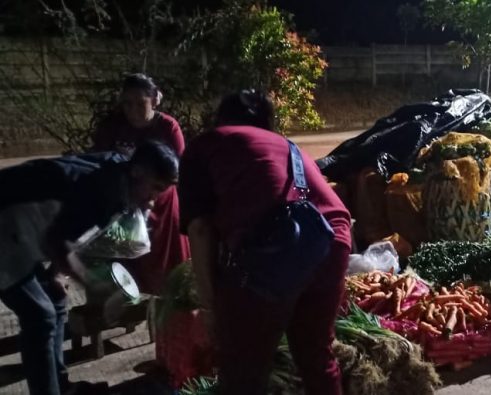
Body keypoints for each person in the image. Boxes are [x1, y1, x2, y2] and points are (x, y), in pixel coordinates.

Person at [178, 90, 352, 395]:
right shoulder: (286, 145)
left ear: (221, 119)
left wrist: (210, 306)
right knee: (316, 358)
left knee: (244, 367)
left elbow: (202, 230)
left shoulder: (204, 146)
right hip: (330, 239)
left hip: (273, 252)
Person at [0, 141, 179, 395]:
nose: (155, 199)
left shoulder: (118, 170)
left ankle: (60, 386)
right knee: (40, 316)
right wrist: (97, 286)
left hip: (22, 233)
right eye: (156, 188)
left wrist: (56, 274)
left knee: (56, 299)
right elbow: (59, 244)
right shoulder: (105, 191)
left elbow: (69, 228)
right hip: (7, 230)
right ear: (138, 172)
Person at [92, 73, 189, 294]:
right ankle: (127, 302)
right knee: (125, 256)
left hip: (160, 204)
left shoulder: (167, 127)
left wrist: (150, 195)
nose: (133, 110)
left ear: (154, 100)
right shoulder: (112, 126)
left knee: (161, 262)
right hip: (123, 201)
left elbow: (176, 170)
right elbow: (99, 161)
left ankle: (165, 299)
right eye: (127, 103)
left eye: (140, 103)